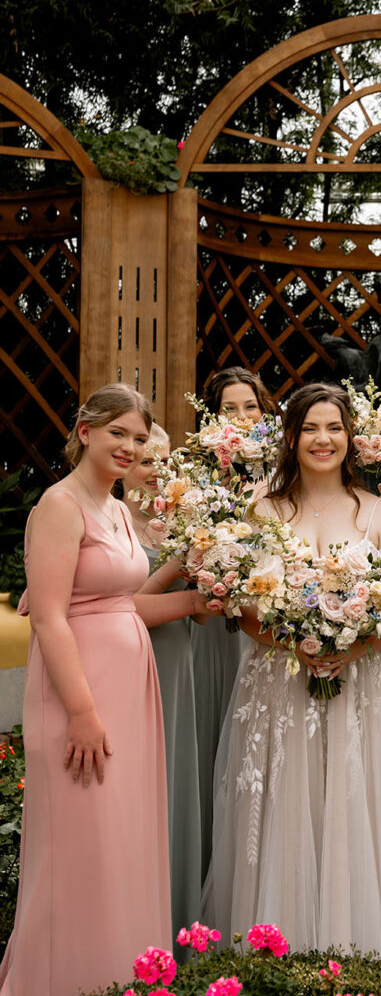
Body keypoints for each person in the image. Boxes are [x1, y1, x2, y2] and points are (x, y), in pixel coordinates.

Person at [202, 383, 381, 961]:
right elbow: (239, 606)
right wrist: (292, 642)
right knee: (287, 809)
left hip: (366, 685)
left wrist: (355, 645)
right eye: (309, 428)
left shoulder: (377, 510)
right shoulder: (261, 510)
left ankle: (370, 955)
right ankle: (280, 952)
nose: (322, 440)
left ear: (351, 437)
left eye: (334, 428)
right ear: (290, 437)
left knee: (358, 807)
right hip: (279, 682)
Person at [0, 384, 210, 996]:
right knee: (83, 844)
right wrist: (83, 712)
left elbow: (124, 605)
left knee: (123, 839)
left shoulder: (116, 509)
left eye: (140, 438)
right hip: (80, 696)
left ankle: (125, 977)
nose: (130, 446)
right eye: (119, 432)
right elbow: (49, 617)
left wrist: (199, 598)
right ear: (85, 431)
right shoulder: (59, 507)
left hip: (129, 689)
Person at [191, 366, 280, 884]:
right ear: (212, 419)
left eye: (250, 407)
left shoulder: (284, 477)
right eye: (229, 409)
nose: (242, 419)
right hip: (211, 628)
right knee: (211, 740)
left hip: (265, 629)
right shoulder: (198, 482)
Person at [121, 423, 202, 957]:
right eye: (147, 461)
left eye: (167, 461)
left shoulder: (187, 521)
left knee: (176, 777)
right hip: (130, 661)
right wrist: (181, 560)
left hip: (178, 658)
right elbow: (116, 605)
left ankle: (179, 922)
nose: (158, 472)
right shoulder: (115, 523)